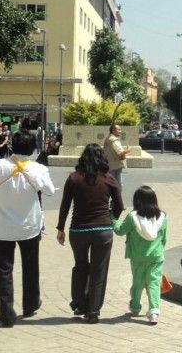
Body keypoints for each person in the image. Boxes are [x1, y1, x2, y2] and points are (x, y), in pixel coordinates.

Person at [0, 129, 56, 327]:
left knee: (3, 271)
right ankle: (30, 304)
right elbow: (49, 191)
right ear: (32, 149)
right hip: (30, 227)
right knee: (31, 267)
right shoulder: (39, 169)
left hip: (2, 228)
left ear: (12, 146)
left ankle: (6, 315)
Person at [56, 143, 124, 324]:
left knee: (80, 266)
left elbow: (65, 205)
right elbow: (120, 205)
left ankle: (79, 304)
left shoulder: (73, 178)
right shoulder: (109, 179)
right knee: (98, 270)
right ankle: (93, 311)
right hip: (103, 231)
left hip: (78, 230)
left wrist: (60, 228)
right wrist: (111, 218)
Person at [113, 185, 168, 325]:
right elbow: (164, 239)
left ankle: (135, 307)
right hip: (156, 257)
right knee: (154, 283)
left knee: (137, 283)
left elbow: (120, 231)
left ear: (137, 201)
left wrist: (112, 218)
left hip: (137, 257)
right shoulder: (162, 217)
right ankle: (154, 312)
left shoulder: (132, 217)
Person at [103, 124, 128, 188]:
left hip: (110, 163)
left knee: (111, 181)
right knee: (118, 184)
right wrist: (128, 150)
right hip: (116, 164)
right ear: (113, 130)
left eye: (120, 129)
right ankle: (117, 194)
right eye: (118, 129)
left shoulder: (108, 138)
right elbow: (120, 153)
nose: (120, 131)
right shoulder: (114, 140)